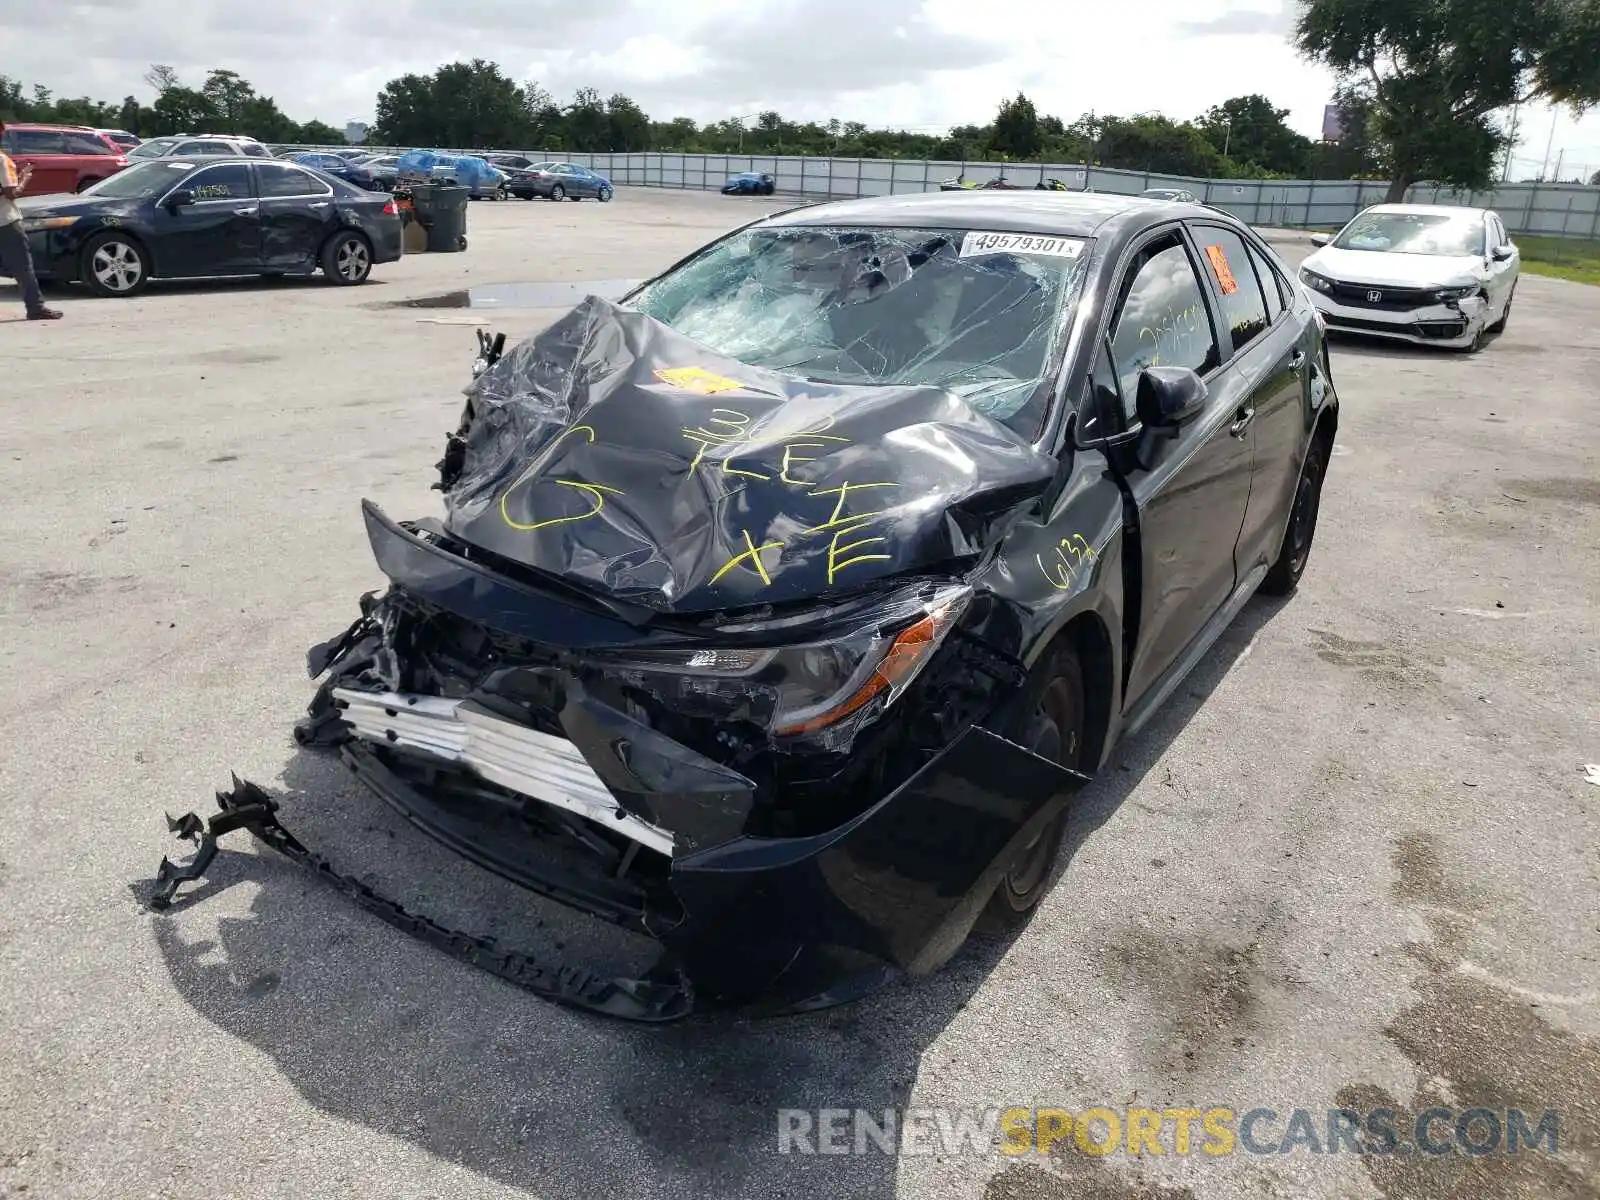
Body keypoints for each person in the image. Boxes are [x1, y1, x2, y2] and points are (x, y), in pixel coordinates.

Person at [0, 122, 62, 321]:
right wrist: (25, 177)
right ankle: (35, 307)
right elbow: (11, 193)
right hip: (5, 221)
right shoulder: (2, 160)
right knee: (22, 267)